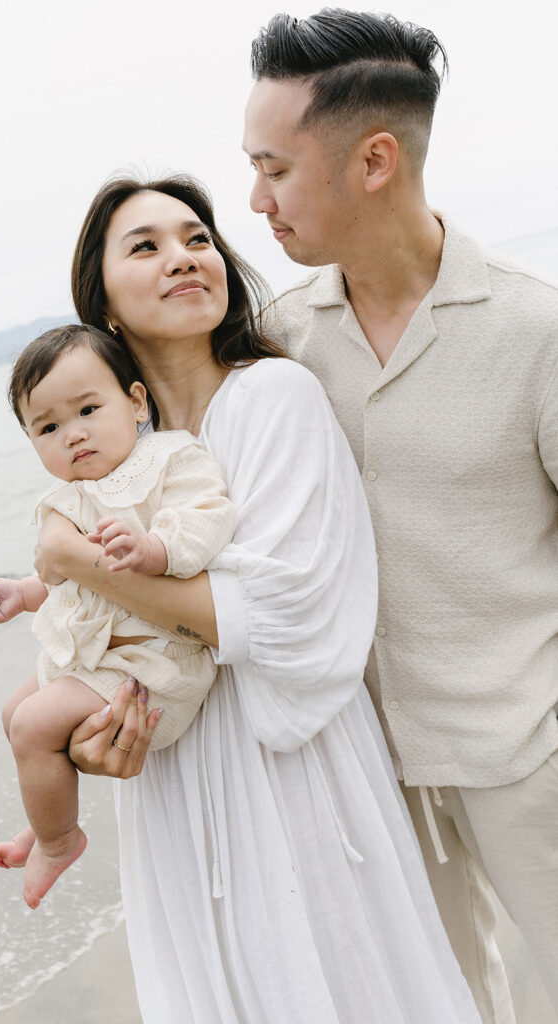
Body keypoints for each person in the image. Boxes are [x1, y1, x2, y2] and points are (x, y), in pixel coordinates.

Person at [32, 172, 482, 1023]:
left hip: (291, 766)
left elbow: (286, 611)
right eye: (147, 246)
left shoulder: (273, 393)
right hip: (169, 766)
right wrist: (84, 737)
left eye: (197, 238)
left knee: (328, 982)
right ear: (107, 307)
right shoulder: (113, 451)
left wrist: (83, 564)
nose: (183, 257)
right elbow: (84, 635)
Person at [243, 9, 558, 1024]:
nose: (255, 200)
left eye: (274, 168)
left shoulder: (534, 326)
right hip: (361, 772)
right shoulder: (278, 345)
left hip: (526, 749)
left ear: (372, 158)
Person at [0, 324, 234, 909]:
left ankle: (59, 841)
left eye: (88, 408)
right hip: (99, 659)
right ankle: (43, 823)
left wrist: (155, 548)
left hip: (154, 667)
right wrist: (21, 591)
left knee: (36, 724)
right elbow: (67, 582)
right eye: (49, 427)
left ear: (136, 402)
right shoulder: (72, 497)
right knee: (15, 712)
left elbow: (207, 518)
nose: (75, 434)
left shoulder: (168, 458)